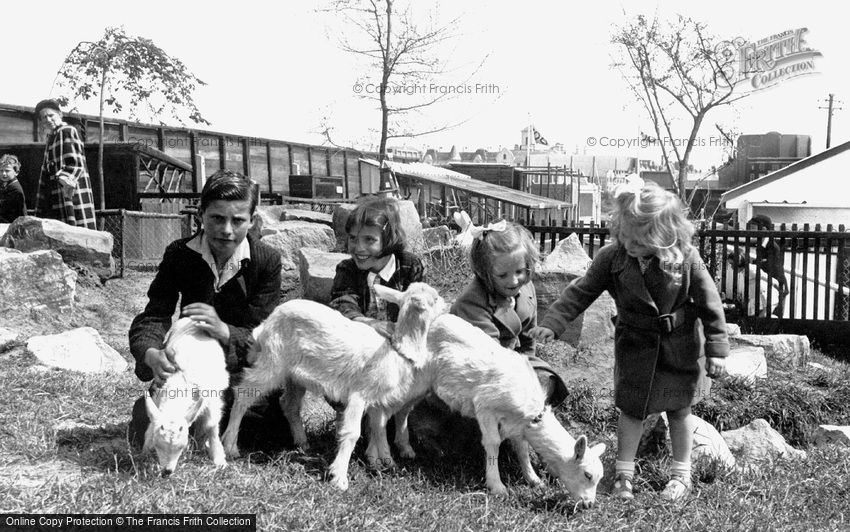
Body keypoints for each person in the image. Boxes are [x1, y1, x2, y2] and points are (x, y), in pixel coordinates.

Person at [529, 182, 729, 502]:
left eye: (639, 240)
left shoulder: (687, 259)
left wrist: (717, 348)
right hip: (635, 346)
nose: (630, 244)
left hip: (680, 347)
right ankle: (624, 476)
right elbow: (582, 290)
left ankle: (681, 475)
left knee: (679, 410)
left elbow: (710, 303)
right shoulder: (612, 257)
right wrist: (554, 322)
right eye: (625, 236)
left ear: (665, 235)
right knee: (631, 410)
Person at [127, 169, 290, 451]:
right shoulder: (180, 254)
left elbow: (263, 336)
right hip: (189, 369)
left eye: (238, 220)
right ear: (200, 214)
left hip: (239, 372)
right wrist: (150, 353)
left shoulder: (266, 261)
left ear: (251, 221)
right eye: (217, 218)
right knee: (146, 424)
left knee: (258, 429)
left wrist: (224, 330)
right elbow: (155, 314)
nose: (227, 230)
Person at [450, 220, 568, 406]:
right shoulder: (472, 302)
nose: (513, 281)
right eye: (502, 275)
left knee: (546, 381)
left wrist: (531, 366)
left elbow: (528, 339)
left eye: (519, 271)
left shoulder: (526, 287)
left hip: (508, 358)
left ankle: (531, 418)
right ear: (485, 272)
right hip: (475, 366)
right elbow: (491, 358)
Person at [329, 195, 425, 336]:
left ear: (389, 239)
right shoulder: (347, 269)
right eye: (353, 238)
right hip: (360, 340)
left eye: (369, 239)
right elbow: (343, 304)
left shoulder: (410, 266)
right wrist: (369, 324)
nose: (359, 248)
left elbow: (418, 308)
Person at [34, 99, 97, 229]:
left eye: (51, 115)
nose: (48, 120)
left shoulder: (67, 130)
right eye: (44, 117)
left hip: (70, 191)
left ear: (60, 114)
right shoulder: (52, 137)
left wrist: (63, 179)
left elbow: (75, 163)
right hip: (56, 192)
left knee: (75, 227)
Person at [0, 154, 26, 223]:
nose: (4, 174)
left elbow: (5, 212)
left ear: (16, 172)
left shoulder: (15, 189)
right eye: (1, 170)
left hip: (14, 227)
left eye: (7, 171)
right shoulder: (5, 185)